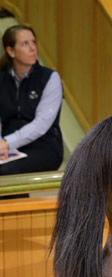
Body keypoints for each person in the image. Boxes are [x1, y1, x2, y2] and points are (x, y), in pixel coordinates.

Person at [0, 24, 63, 175]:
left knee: (6, 171)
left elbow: (41, 124)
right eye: (25, 44)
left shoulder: (50, 78)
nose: (33, 48)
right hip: (8, 145)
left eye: (34, 42)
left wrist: (7, 143)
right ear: (10, 51)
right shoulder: (2, 79)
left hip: (43, 146)